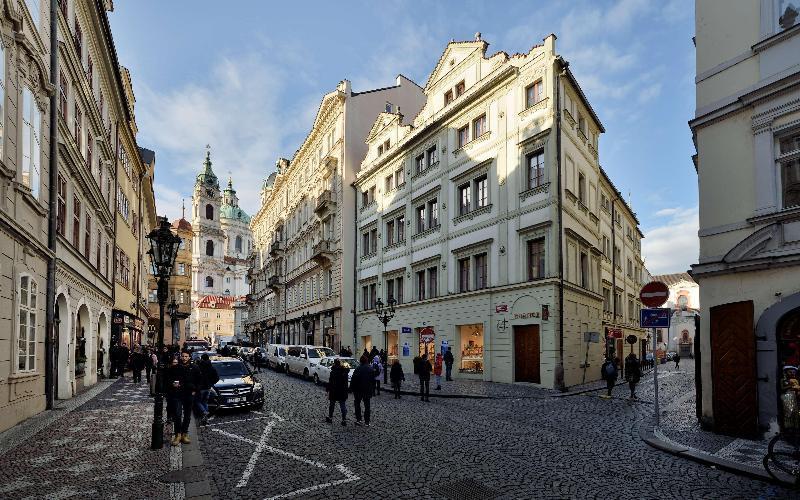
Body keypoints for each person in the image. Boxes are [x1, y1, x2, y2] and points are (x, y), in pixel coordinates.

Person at [164, 351, 201, 446]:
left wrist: (195, 390)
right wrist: (172, 383)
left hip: (189, 394)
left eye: (186, 356)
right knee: (177, 415)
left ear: (189, 357)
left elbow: (199, 380)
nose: (184, 358)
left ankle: (185, 433)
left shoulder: (194, 368)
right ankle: (178, 434)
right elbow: (168, 378)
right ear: (181, 357)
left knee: (187, 415)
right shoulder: (175, 367)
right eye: (183, 356)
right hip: (177, 394)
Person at [195, 353, 219, 426]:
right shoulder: (212, 367)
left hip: (201, 388)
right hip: (208, 388)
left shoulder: (199, 367)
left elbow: (196, 377)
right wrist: (211, 383)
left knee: (198, 401)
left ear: (202, 359)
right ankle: (205, 419)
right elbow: (217, 378)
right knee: (205, 402)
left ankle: (204, 412)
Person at [350, 355, 374, 426]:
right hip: (367, 390)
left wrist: (352, 388)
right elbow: (372, 381)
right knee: (367, 406)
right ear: (366, 361)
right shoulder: (370, 369)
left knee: (357, 404)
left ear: (360, 361)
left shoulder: (358, 369)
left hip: (358, 390)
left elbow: (353, 380)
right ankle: (367, 421)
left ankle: (359, 419)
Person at [325, 358, 349, 426]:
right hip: (342, 391)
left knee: (332, 405)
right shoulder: (344, 371)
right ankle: (344, 420)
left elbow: (330, 382)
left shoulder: (333, 371)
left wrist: (328, 389)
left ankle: (330, 418)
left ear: (334, 363)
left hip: (334, 391)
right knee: (342, 405)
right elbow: (346, 383)